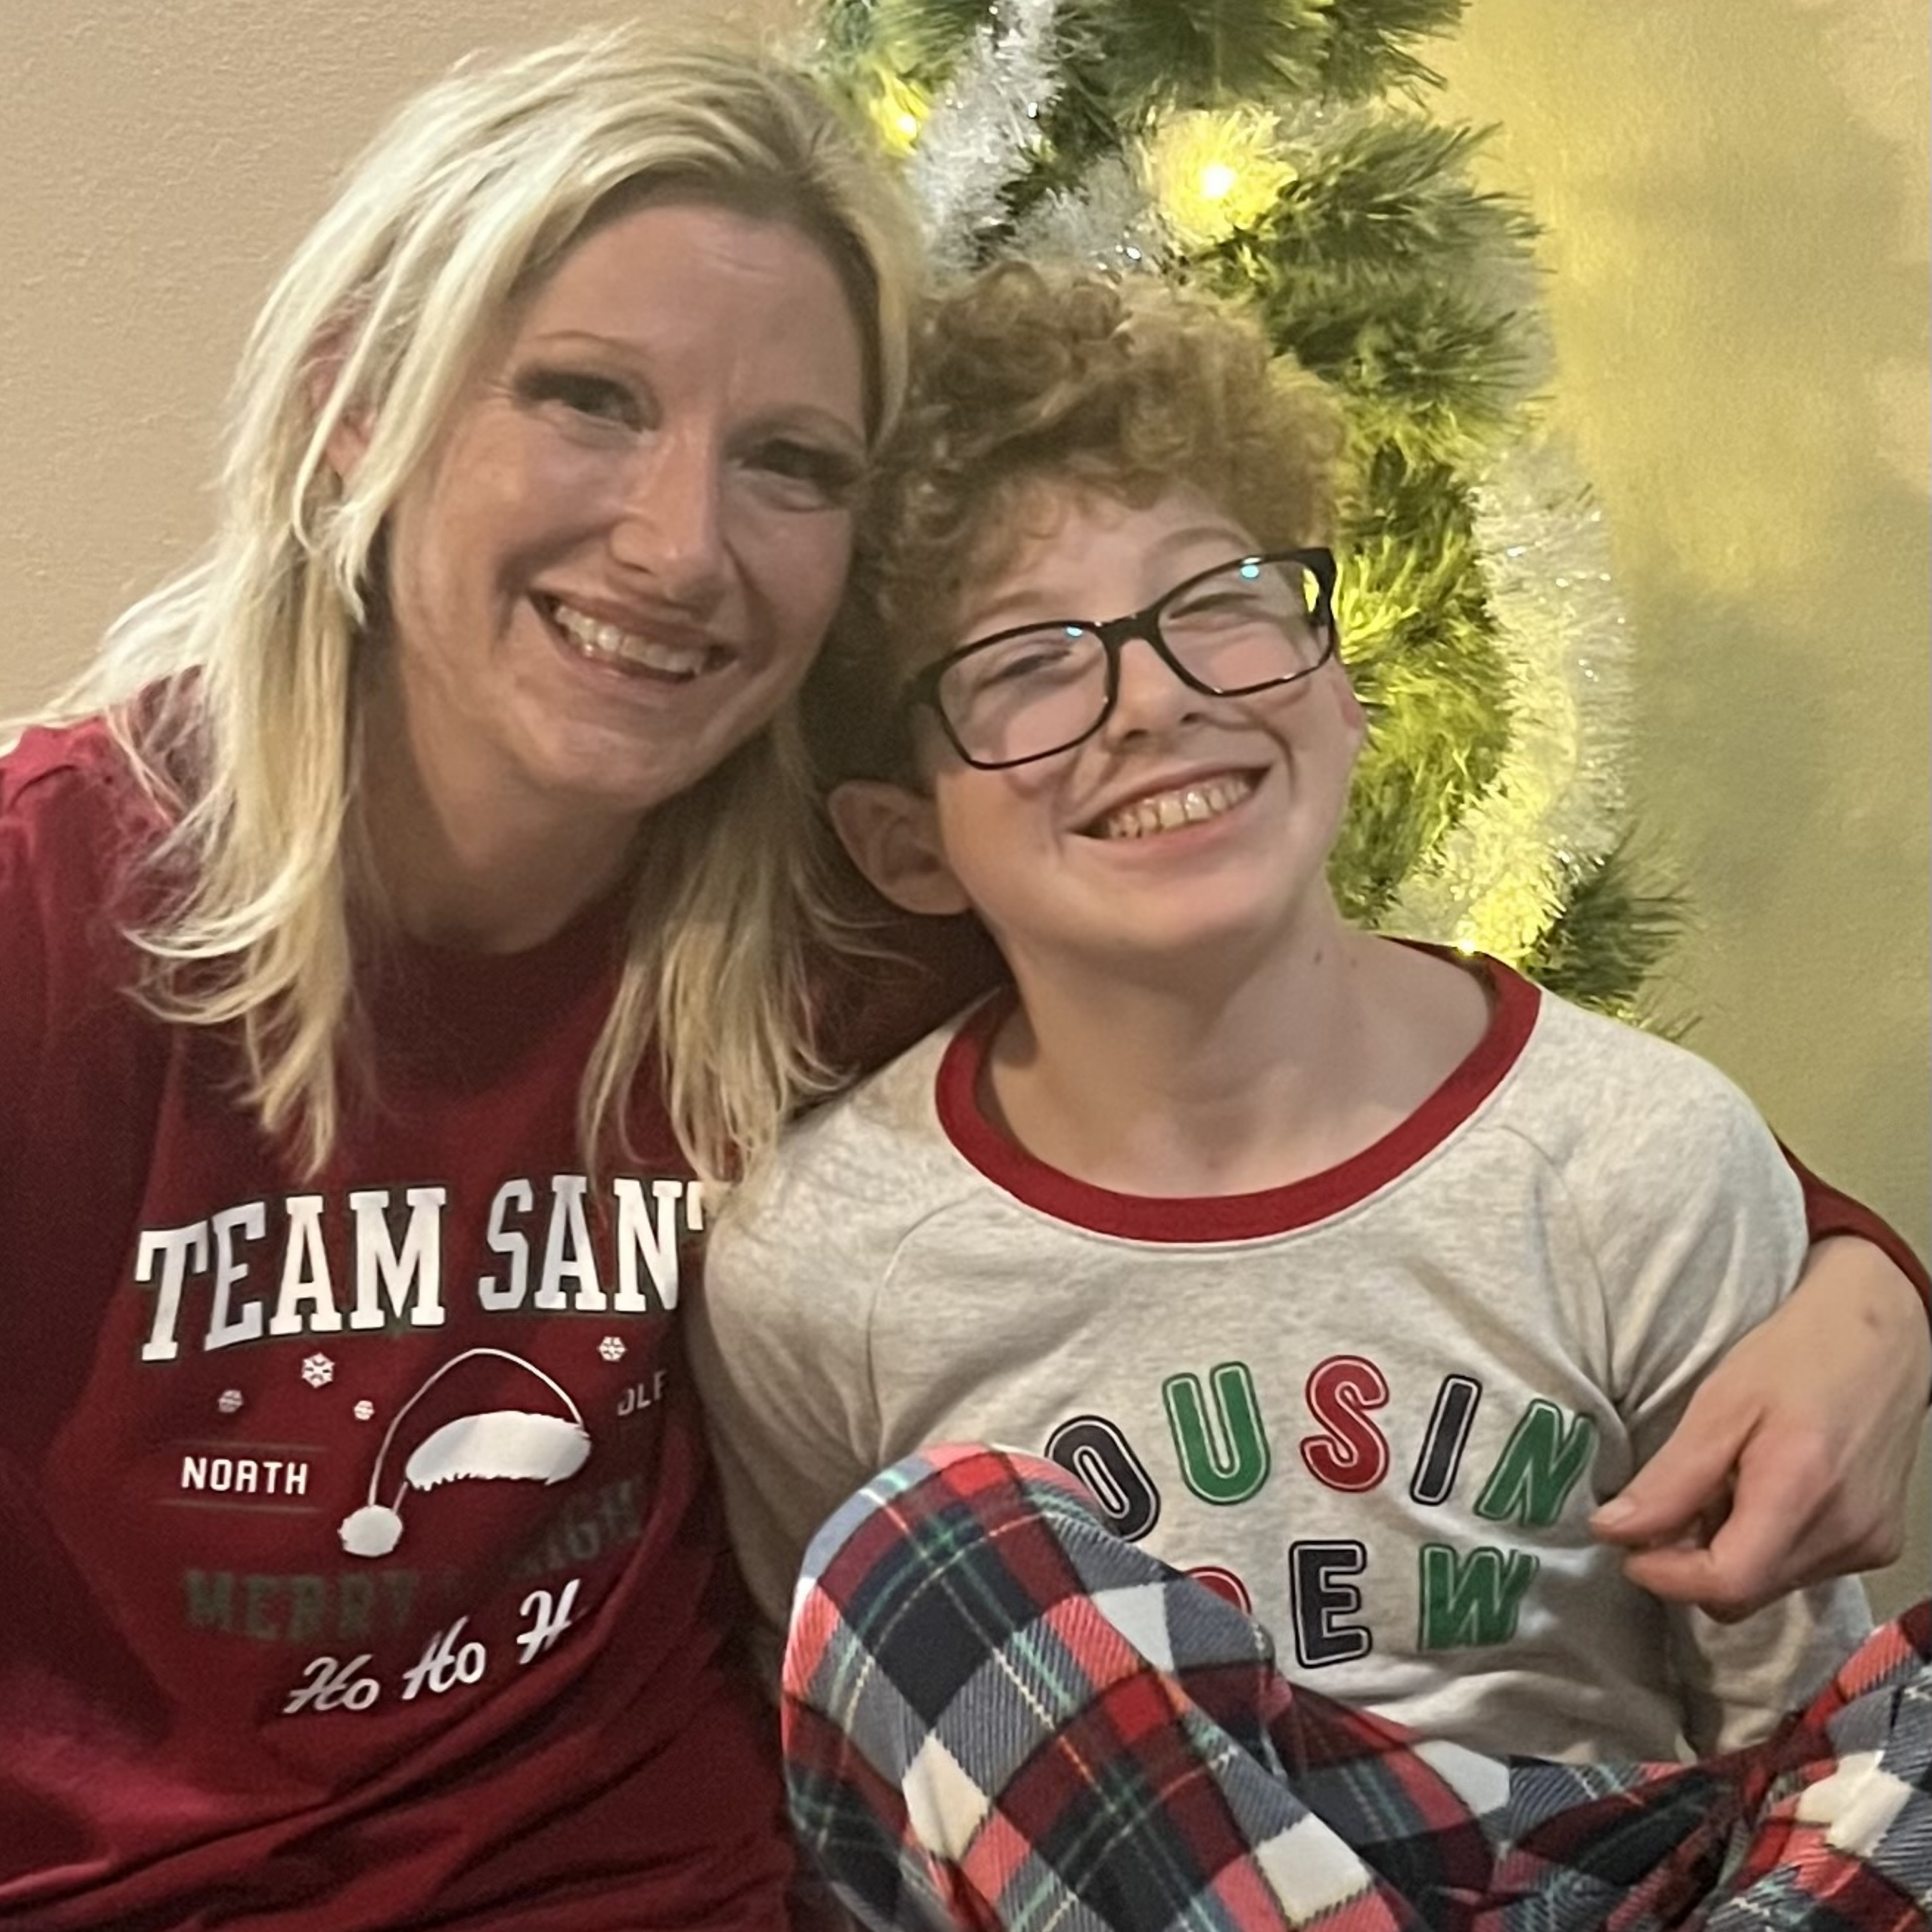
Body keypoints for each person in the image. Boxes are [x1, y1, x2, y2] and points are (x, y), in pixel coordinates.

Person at [0, 27, 1922, 1932]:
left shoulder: (826, 921)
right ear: (358, 403)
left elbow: (1376, 1079)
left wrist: (1864, 1285)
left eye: (789, 460)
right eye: (587, 398)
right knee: (934, 1560)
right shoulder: (55, 905)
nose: (680, 545)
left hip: (706, 1892)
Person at [689, 264, 1932, 1923]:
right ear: (906, 843)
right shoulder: (829, 1258)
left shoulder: (1632, 1154)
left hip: (1623, 1874)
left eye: (1219, 600)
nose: (1157, 697)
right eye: (1028, 663)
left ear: (1340, 683)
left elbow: (1797, 1749)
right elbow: (877, 1797)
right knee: (927, 1560)